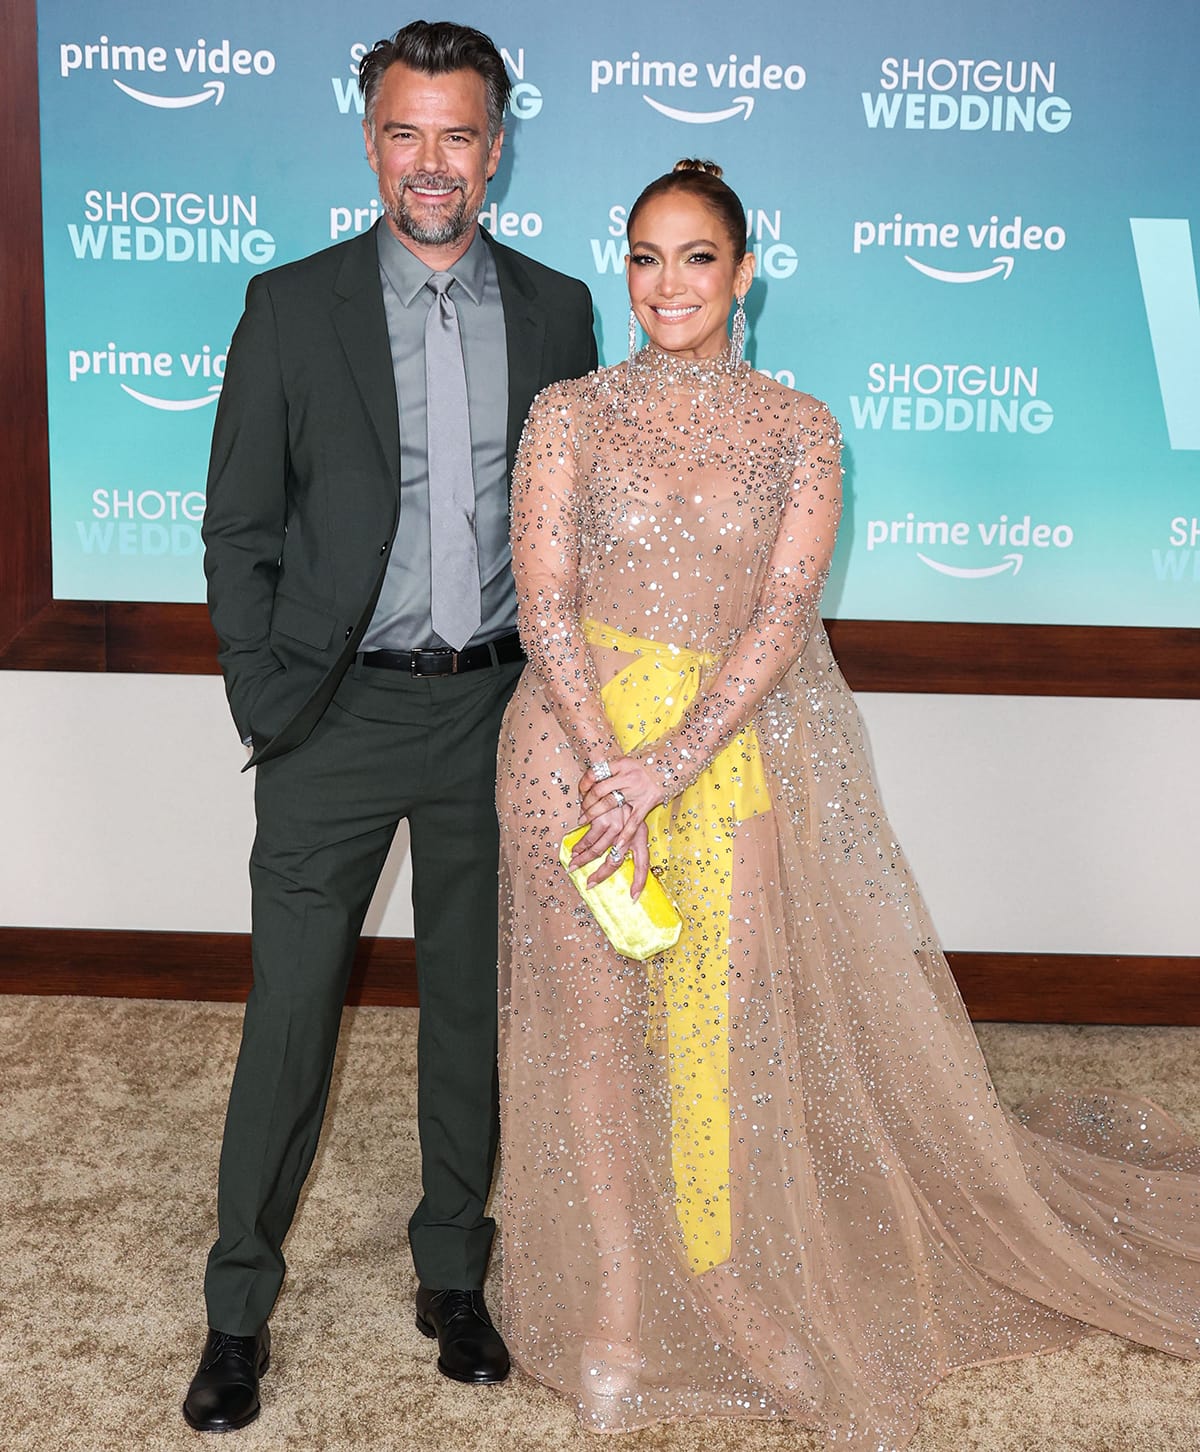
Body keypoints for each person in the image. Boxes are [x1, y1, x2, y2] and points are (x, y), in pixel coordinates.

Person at [495, 159, 1200, 1449]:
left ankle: (728, 1281)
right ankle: (615, 1303)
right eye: (645, 257)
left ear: (743, 270)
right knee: (591, 1036)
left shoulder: (801, 426)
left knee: (725, 1036)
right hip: (568, 754)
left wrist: (673, 767)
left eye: (696, 258)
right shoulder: (569, 412)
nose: (667, 285)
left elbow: (780, 614)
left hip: (724, 758)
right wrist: (612, 767)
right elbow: (542, 605)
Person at [186, 20, 596, 1433]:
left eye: (460, 134)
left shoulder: (556, 309)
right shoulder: (290, 306)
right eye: (407, 132)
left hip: (495, 710)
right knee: (291, 1015)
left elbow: (574, 526)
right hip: (337, 715)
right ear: (371, 143)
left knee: (471, 1007)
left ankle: (454, 1272)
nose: (434, 162)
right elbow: (239, 520)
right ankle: (237, 1305)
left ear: (498, 146)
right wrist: (268, 692)